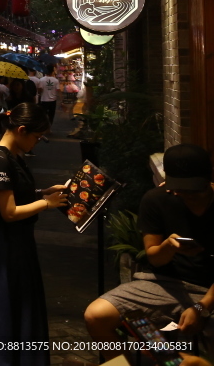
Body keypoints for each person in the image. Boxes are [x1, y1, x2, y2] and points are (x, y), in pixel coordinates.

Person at [84, 144, 214, 362]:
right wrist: (169, 247)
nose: (187, 195)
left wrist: (201, 307)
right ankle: (169, 359)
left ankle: (179, 360)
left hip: (209, 289)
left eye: (194, 189)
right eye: (180, 189)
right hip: (165, 283)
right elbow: (154, 257)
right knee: (96, 315)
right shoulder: (157, 199)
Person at [0, 102, 68, 365]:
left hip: (19, 243)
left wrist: (43, 192)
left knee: (20, 306)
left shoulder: (13, 157)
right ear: (22, 129)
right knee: (10, 308)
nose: (36, 143)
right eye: (36, 138)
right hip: (7, 247)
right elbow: (9, 212)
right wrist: (46, 204)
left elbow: (18, 195)